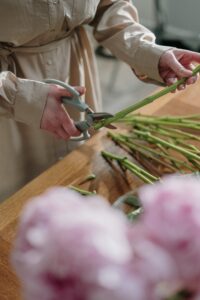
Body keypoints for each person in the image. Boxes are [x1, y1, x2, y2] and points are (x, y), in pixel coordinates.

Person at [0, 0, 200, 202]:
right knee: (16, 204)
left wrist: (146, 50)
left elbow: (109, 6)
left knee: (79, 175)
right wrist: (20, 96)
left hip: (75, 71)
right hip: (7, 110)